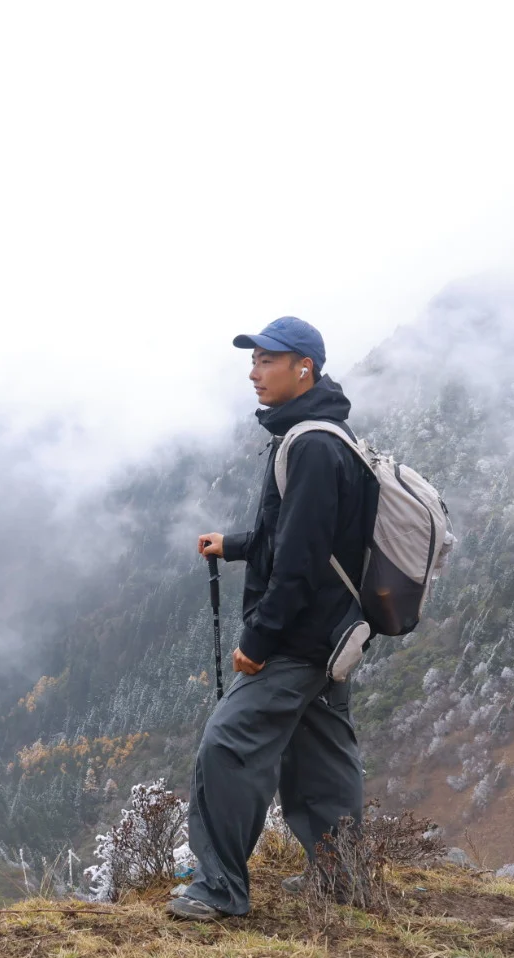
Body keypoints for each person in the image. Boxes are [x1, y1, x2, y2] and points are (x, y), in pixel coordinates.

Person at [167, 316, 371, 921]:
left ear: (303, 367)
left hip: (298, 639)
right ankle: (344, 879)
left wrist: (258, 639)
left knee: (227, 744)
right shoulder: (324, 436)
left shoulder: (309, 445)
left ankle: (221, 888)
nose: (254, 374)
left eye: (266, 361)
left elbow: (302, 561)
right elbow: (297, 536)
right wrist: (233, 544)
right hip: (332, 636)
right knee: (323, 758)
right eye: (252, 362)